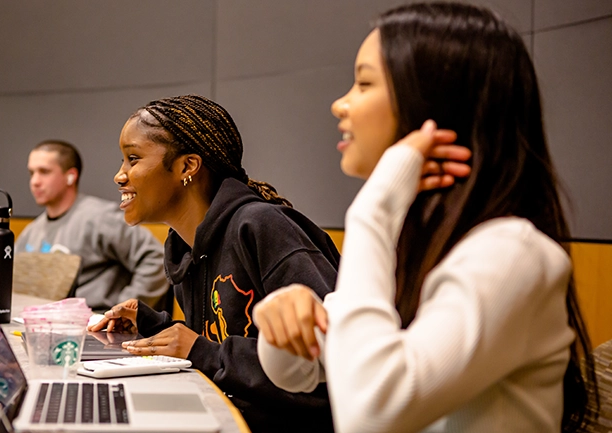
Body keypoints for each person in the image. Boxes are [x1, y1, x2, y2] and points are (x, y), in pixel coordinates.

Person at [253, 3, 598, 433]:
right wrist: (284, 325)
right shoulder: (417, 243)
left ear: (432, 105)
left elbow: (370, 413)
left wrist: (371, 210)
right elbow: (300, 371)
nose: (340, 104)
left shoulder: (510, 253)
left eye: (364, 83)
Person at [84, 94, 341, 432]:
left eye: (133, 159)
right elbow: (214, 346)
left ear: (188, 167)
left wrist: (201, 351)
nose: (120, 176)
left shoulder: (262, 226)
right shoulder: (183, 248)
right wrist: (152, 326)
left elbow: (332, 365)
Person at [16, 140, 169, 311]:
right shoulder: (31, 232)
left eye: (44, 172)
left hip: (96, 326)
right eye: (32, 173)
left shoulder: (100, 219)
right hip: (47, 324)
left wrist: (124, 309)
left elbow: (155, 259)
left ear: (71, 176)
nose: (35, 181)